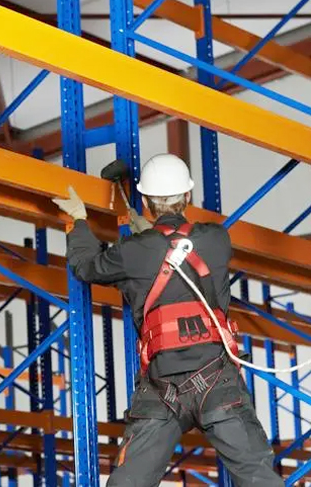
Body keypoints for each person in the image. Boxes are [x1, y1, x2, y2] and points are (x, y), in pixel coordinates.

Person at [54, 154, 282, 487]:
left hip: (162, 390)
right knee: (259, 479)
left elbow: (86, 266)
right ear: (188, 195)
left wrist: (78, 220)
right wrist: (152, 239)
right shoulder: (218, 239)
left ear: (146, 203)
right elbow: (178, 251)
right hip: (217, 381)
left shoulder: (134, 252)